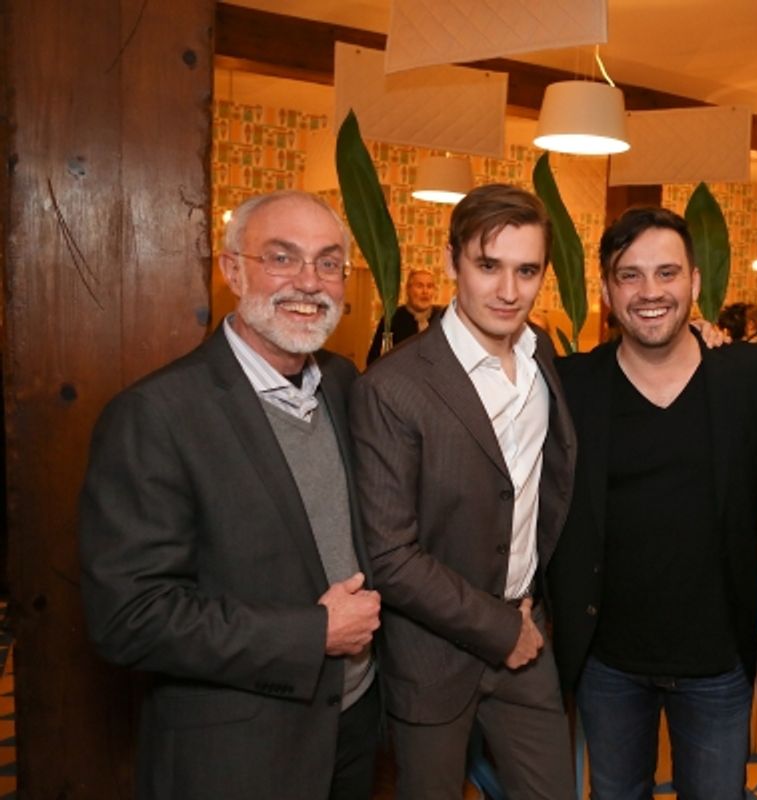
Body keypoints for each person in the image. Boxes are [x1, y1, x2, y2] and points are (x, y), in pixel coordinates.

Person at [79, 190, 382, 800]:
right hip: (240, 752)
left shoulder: (344, 384)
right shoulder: (157, 414)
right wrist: (313, 632)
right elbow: (128, 617)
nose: (309, 282)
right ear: (233, 270)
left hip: (353, 728)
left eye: (328, 263)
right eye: (282, 257)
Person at [350, 184, 576, 799]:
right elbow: (390, 556)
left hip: (529, 636)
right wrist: (501, 630)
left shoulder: (543, 358)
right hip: (433, 653)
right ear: (453, 262)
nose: (508, 290)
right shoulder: (392, 388)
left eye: (526, 271)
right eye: (488, 265)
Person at [547, 207, 757, 800]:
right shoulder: (571, 384)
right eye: (630, 275)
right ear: (606, 291)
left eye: (667, 272)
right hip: (609, 664)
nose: (650, 291)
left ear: (694, 283)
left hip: (717, 664)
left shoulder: (749, 374)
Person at [365, 268, 444, 364]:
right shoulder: (392, 319)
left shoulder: (443, 318)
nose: (425, 291)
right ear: (408, 290)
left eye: (430, 286)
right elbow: (373, 360)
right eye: (419, 286)